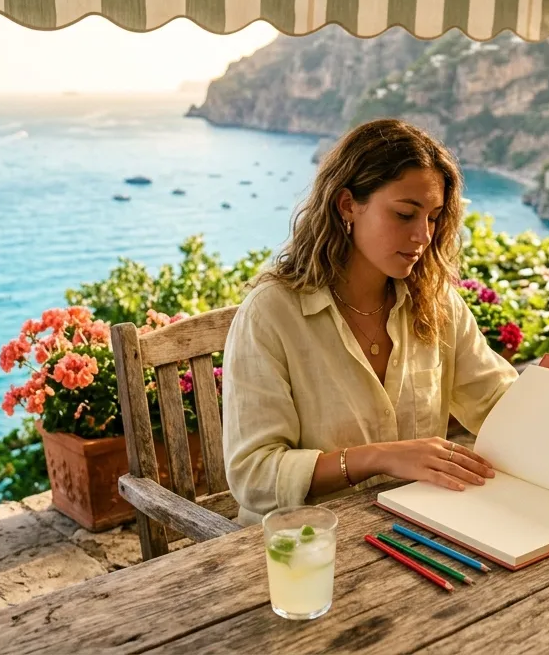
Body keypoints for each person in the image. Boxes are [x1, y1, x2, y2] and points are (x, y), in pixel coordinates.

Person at [222, 119, 519, 525]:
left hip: (413, 529)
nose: (422, 236)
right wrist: (380, 458)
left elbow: (498, 402)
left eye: (433, 217)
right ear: (347, 205)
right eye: (404, 214)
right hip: (302, 548)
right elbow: (252, 476)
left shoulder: (434, 301)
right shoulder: (272, 314)